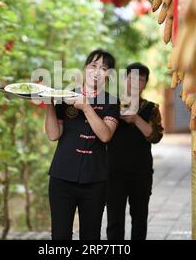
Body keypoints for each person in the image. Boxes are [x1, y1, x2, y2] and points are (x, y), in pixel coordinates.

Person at [44, 49, 120, 240]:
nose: (97, 71)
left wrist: (86, 107)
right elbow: (54, 135)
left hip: (95, 180)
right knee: (60, 236)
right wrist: (49, 104)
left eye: (103, 68)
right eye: (93, 66)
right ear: (85, 69)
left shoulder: (112, 102)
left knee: (91, 236)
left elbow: (105, 136)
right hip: (62, 177)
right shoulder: (65, 96)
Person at [106, 62, 164, 240]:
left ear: (145, 84)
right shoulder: (112, 105)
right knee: (114, 221)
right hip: (113, 172)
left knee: (139, 219)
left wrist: (135, 119)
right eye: (132, 78)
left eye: (141, 79)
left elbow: (155, 137)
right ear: (125, 80)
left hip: (141, 173)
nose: (136, 83)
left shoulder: (151, 108)